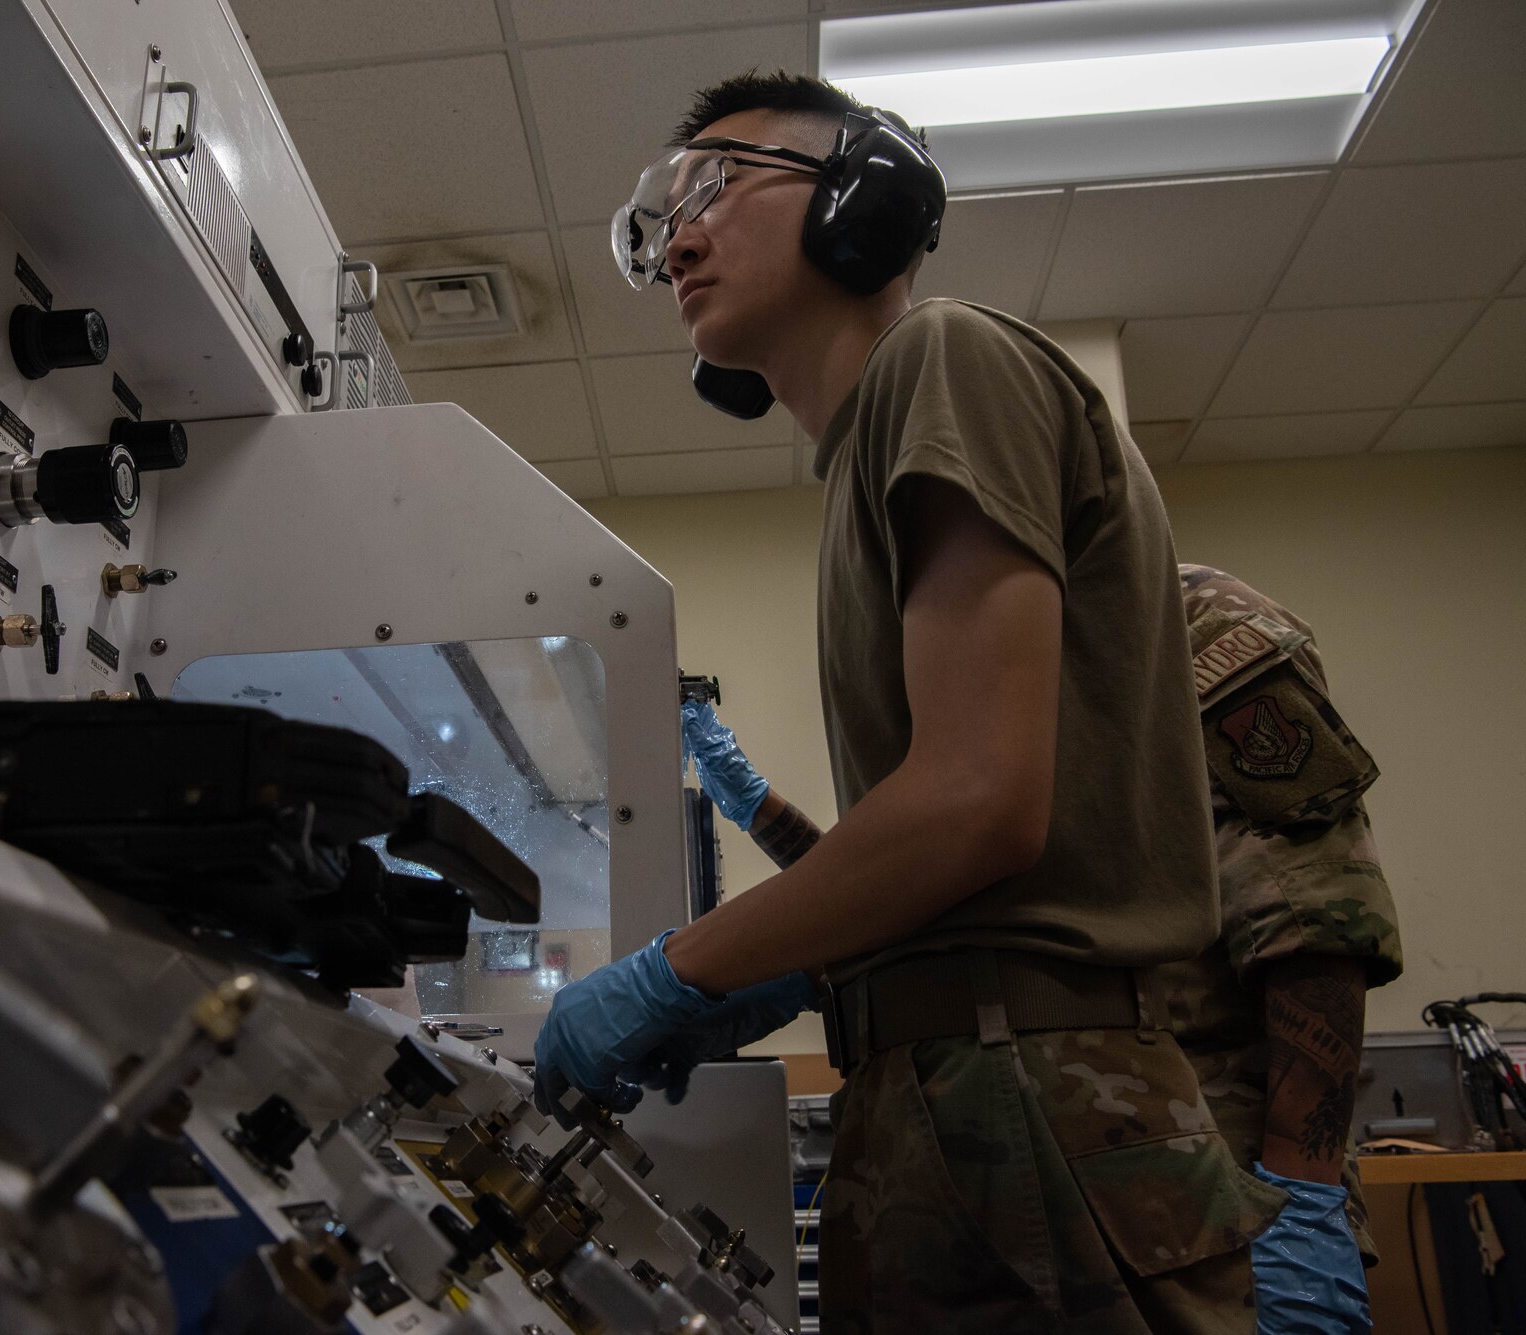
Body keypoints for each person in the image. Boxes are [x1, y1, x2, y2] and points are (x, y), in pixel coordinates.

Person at [531, 70, 1279, 1330]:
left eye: (716, 182)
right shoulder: (869, 455)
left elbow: (976, 804)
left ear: (859, 201)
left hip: (1031, 1090)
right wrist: (786, 968)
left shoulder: (945, 359)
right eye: (658, 220)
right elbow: (947, 852)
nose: (680, 239)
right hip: (952, 1084)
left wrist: (679, 969)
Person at [674, 563, 1402, 1332]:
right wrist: (753, 806)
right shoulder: (952, 659)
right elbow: (913, 900)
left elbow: (1316, 920)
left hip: (1202, 1186)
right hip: (1008, 1186)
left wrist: (1304, 1199)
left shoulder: (1172, 616)